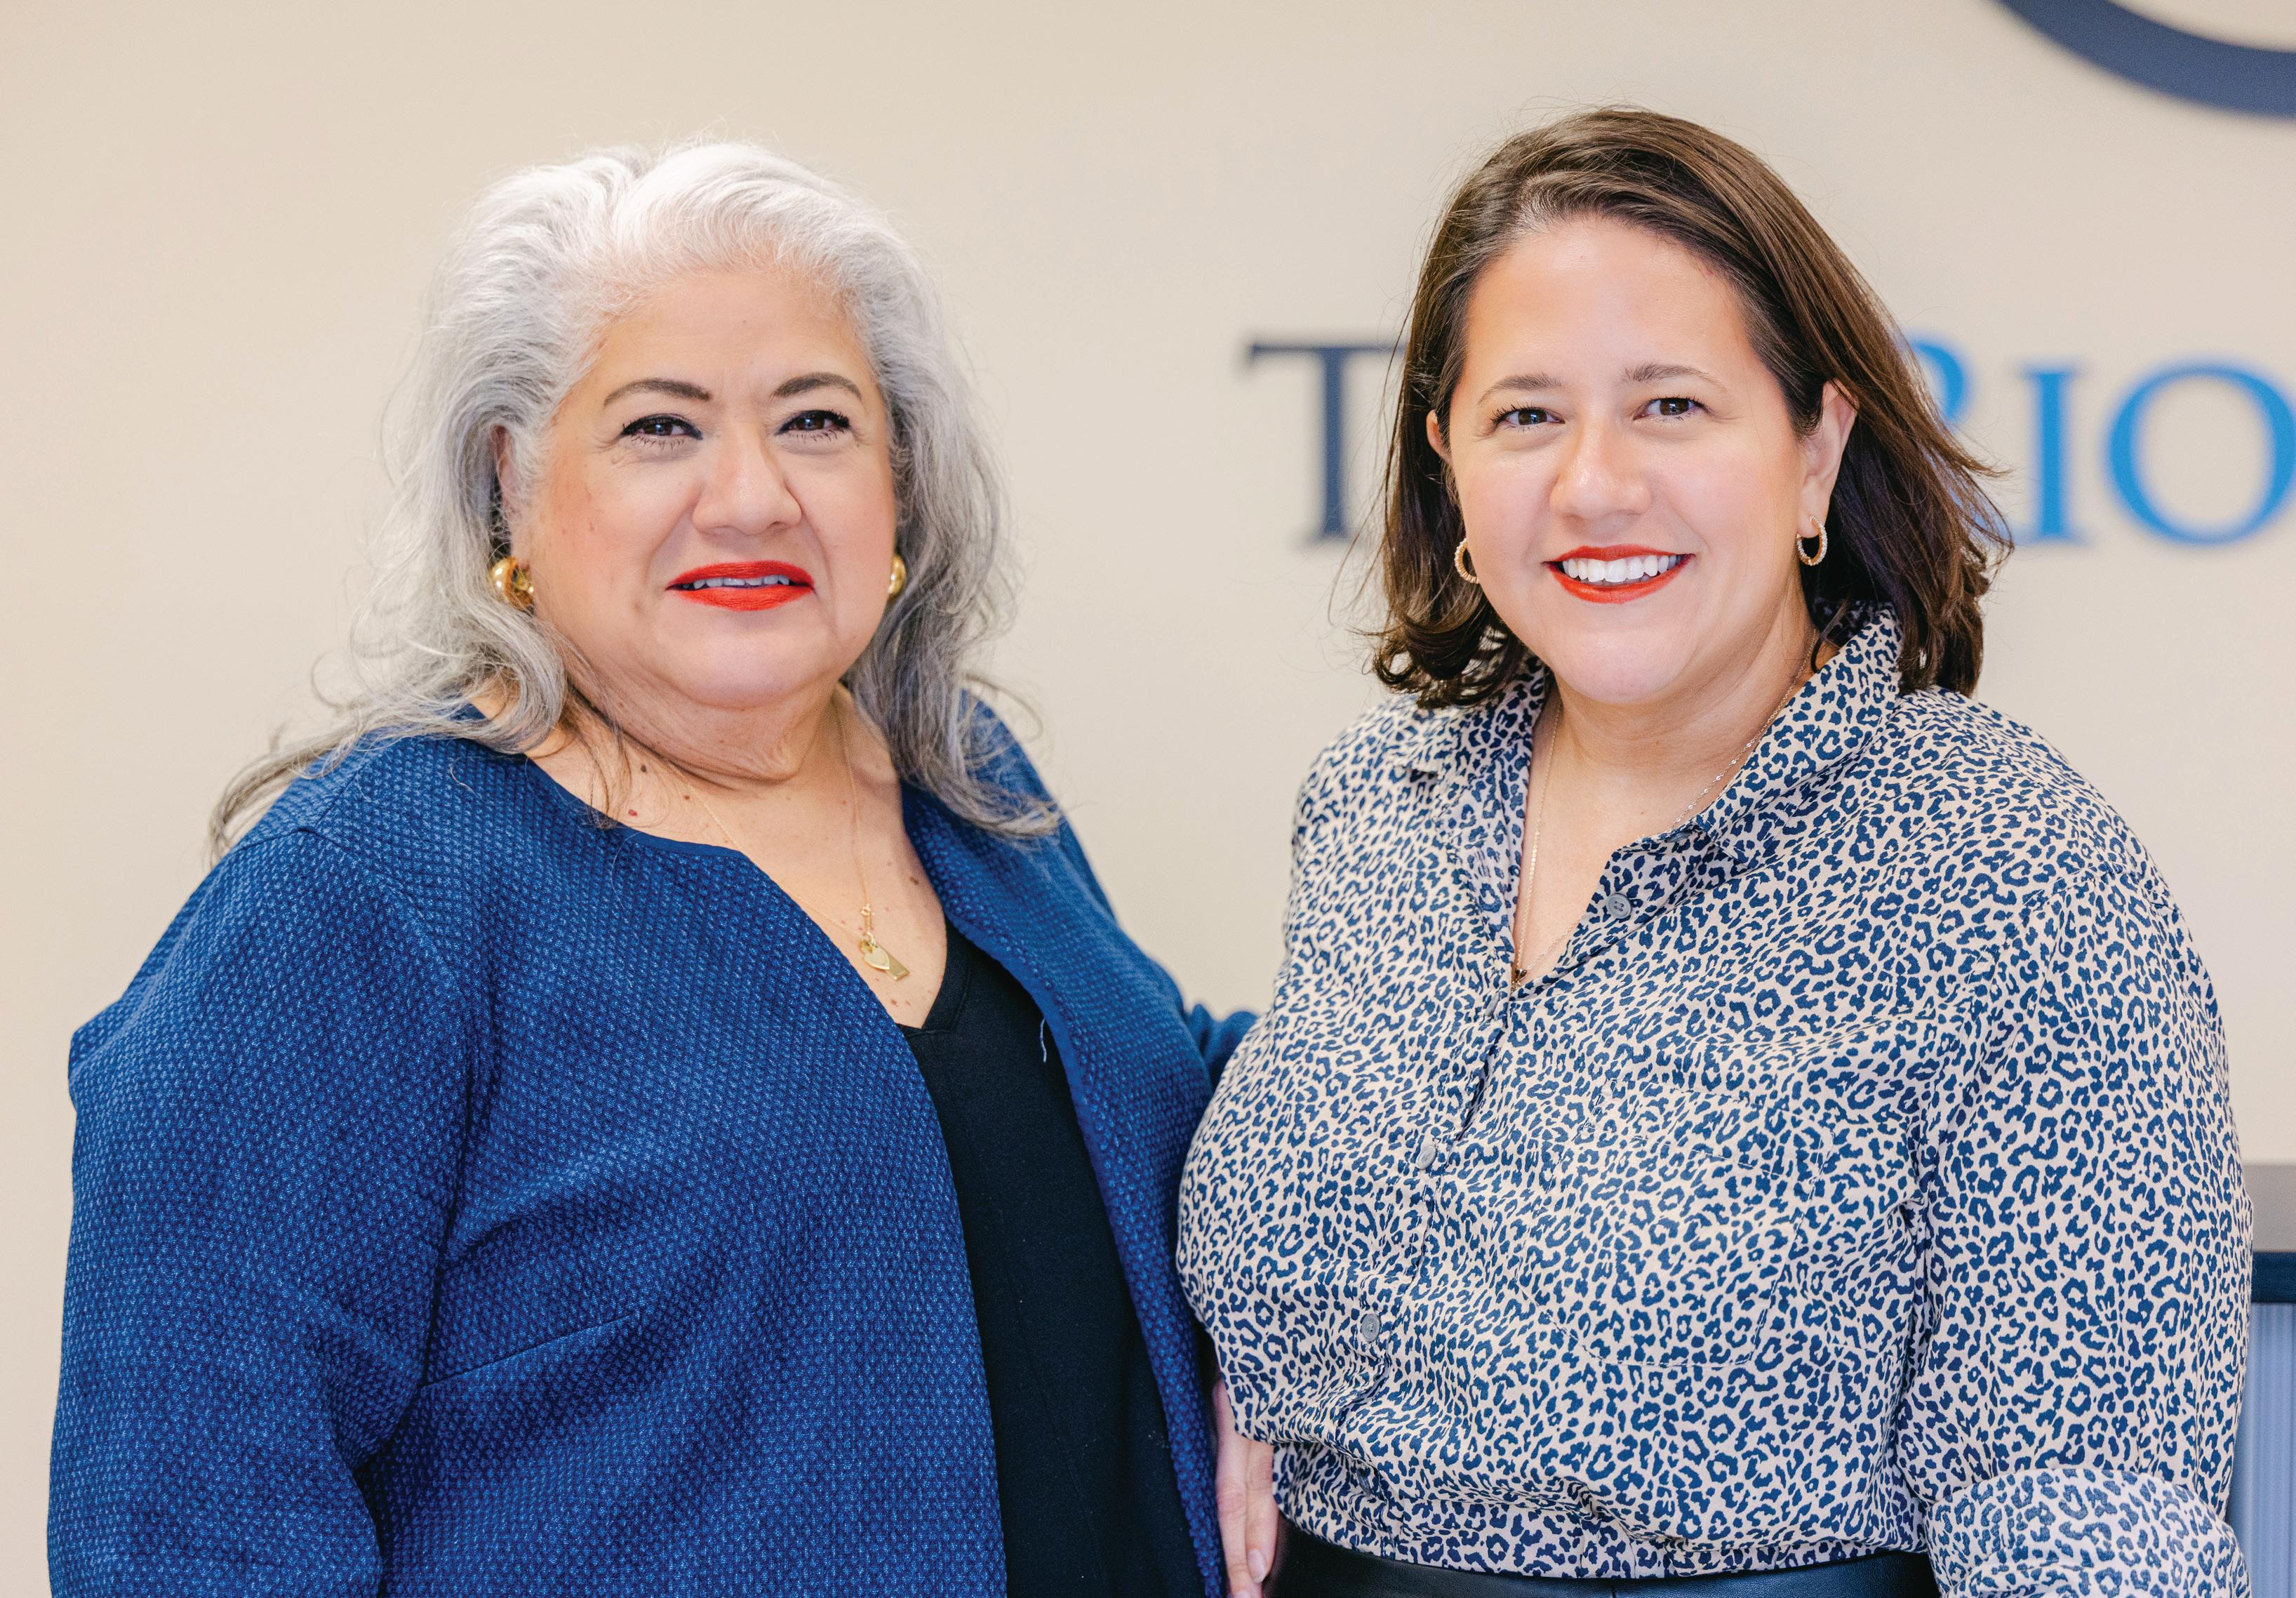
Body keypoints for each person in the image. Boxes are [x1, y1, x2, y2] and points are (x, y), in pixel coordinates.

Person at [51, 142, 1248, 1598]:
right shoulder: (362, 894)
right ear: (512, 481)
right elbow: (182, 1525)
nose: (750, 494)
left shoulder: (966, 780)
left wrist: (1255, 1351)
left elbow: (1168, 1103)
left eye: (816, 420)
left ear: (900, 483)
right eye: (659, 426)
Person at [1177, 109, 2248, 1597]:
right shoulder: (1376, 807)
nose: (1595, 483)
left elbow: (2086, 1505)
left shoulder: (2007, 869)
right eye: (1526, 415)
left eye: (1671, 405)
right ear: (1446, 465)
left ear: (1815, 450)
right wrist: (1234, 1377)